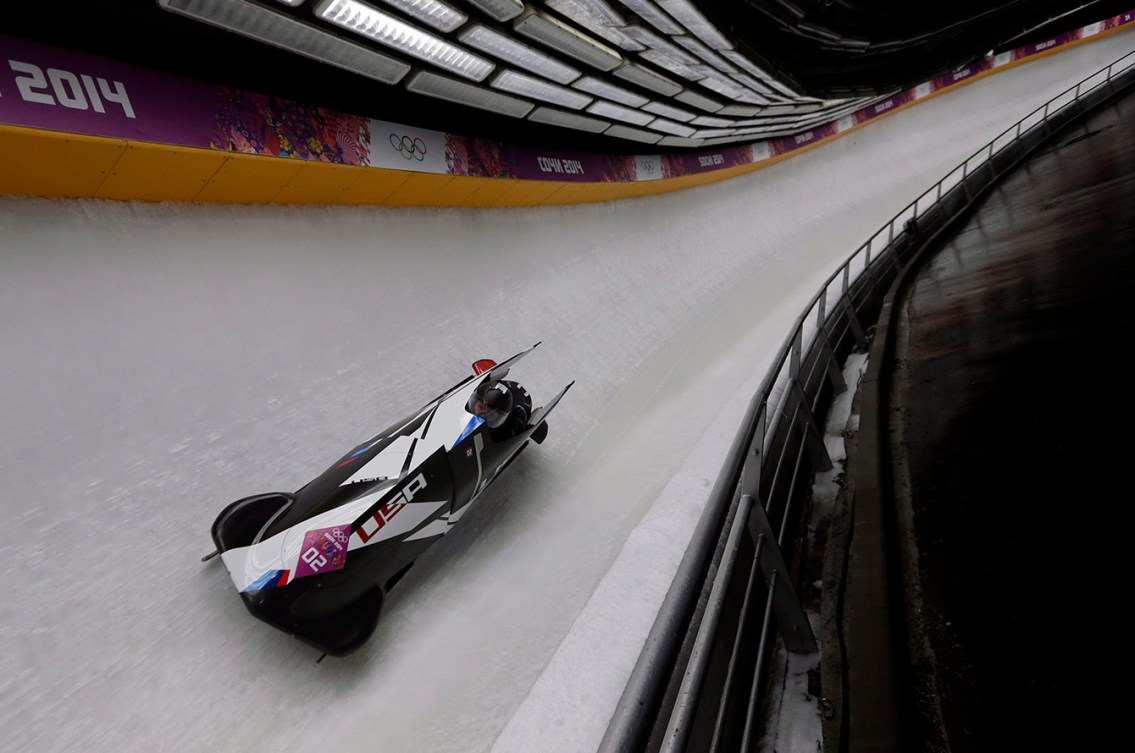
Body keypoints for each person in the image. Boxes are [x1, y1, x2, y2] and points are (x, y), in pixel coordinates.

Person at [468, 379, 532, 441]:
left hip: (519, 404)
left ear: (500, 418)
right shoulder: (482, 392)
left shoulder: (517, 418)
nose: (483, 416)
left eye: (492, 415)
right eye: (481, 407)